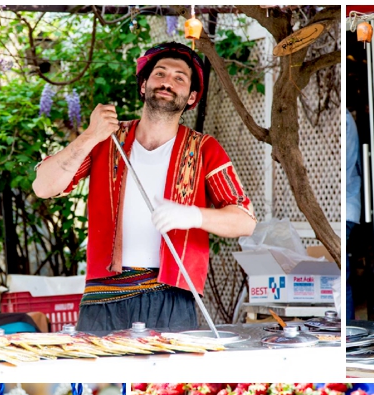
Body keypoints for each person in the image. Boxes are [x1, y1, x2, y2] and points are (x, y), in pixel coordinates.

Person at [33, 42, 256, 332]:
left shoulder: (204, 149)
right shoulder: (106, 139)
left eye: (179, 78)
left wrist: (193, 216)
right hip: (103, 295)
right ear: (143, 86)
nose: (167, 82)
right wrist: (89, 135)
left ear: (190, 98)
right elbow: (43, 186)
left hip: (173, 296)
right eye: (159, 73)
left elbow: (246, 221)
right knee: (103, 379)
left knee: (164, 380)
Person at [345, 109, 362, 320]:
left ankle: (347, 334)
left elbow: (347, 170)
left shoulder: (345, 117)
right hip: (350, 206)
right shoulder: (347, 117)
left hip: (347, 207)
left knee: (343, 277)